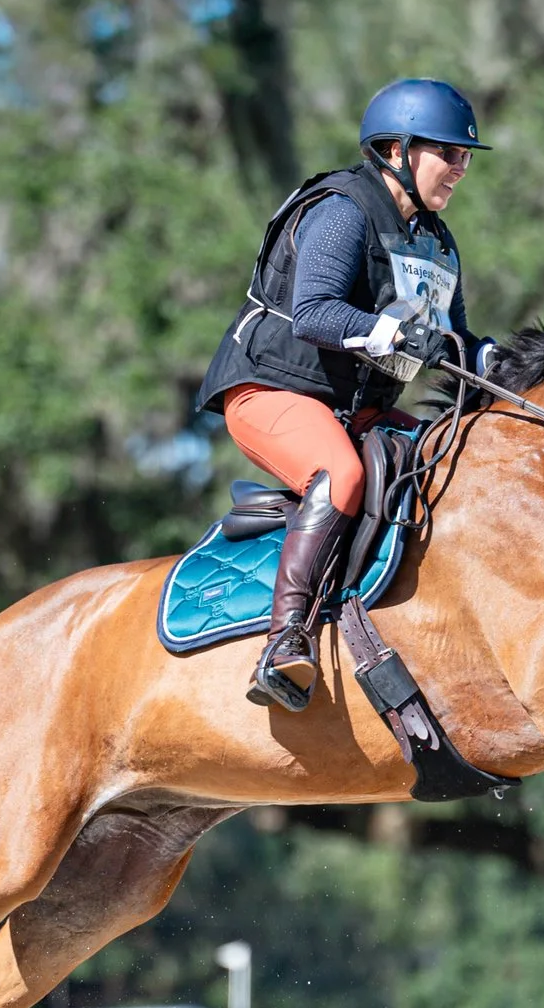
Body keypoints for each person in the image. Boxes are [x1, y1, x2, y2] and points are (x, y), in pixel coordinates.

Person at [196, 78, 493, 711]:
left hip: (355, 406)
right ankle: (285, 642)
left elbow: (453, 338)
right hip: (271, 390)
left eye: (465, 156)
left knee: (452, 459)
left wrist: (490, 357)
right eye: (449, 153)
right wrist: (384, 329)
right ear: (397, 151)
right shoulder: (343, 209)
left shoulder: (436, 241)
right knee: (342, 475)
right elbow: (313, 313)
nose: (460, 168)